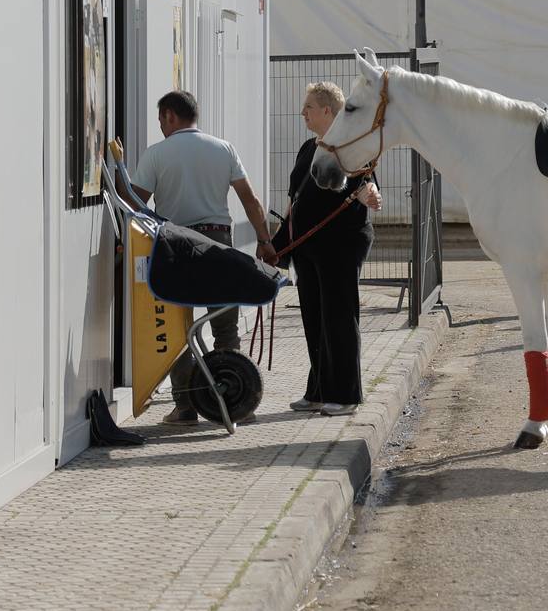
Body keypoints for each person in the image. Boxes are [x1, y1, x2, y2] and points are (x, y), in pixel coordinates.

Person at [130, 91, 277, 426]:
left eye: (160, 120)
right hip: (217, 243)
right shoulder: (223, 148)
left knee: (178, 325)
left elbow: (136, 206)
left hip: (175, 246)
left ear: (169, 116)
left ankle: (185, 406)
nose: (161, 127)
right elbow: (250, 199)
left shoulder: (156, 154)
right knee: (225, 322)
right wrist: (264, 240)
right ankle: (238, 402)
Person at [286, 82, 382, 418]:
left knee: (339, 316)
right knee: (313, 317)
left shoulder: (351, 145)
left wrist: (368, 195)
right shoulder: (306, 148)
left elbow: (369, 184)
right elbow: (294, 197)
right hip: (307, 248)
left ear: (328, 110)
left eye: (309, 107)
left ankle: (345, 395)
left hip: (340, 244)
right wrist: (280, 240)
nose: (303, 113)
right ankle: (318, 391)